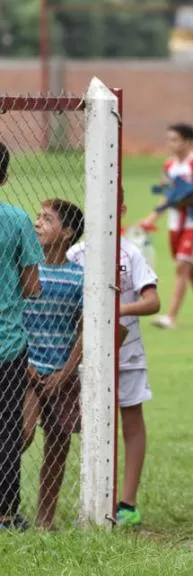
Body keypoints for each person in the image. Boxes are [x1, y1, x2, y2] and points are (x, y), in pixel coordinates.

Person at [68, 188, 160, 527]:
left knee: (131, 421)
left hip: (128, 354)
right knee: (78, 423)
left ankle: (127, 504)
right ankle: (90, 497)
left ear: (121, 208)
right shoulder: (75, 253)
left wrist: (119, 307)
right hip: (82, 355)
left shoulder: (131, 254)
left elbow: (153, 302)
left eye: (112, 204)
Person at [21, 199, 84, 530]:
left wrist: (66, 371)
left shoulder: (78, 278)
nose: (37, 223)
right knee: (21, 434)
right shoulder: (25, 270)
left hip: (63, 374)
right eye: (38, 217)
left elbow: (85, 329)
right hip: (26, 371)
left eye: (47, 219)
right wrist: (25, 362)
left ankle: (44, 521)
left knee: (57, 447)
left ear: (67, 233)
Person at [0, 142, 43, 531]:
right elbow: (31, 286)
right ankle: (6, 512)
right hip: (8, 343)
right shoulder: (16, 219)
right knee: (8, 426)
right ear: (6, 176)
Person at [142, 122, 193, 330]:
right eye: (169, 139)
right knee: (190, 271)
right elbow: (167, 197)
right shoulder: (169, 166)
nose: (170, 144)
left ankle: (171, 317)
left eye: (175, 139)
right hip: (174, 225)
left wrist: (190, 197)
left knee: (182, 266)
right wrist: (151, 218)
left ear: (188, 141)